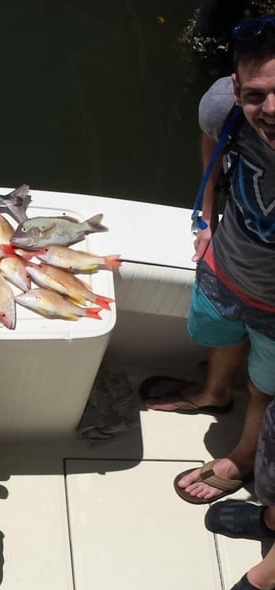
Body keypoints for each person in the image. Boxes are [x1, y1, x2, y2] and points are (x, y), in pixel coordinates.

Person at [139, 14, 275, 508]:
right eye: (257, 95)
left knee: (265, 386)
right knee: (217, 335)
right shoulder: (222, 105)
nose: (271, 109)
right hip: (226, 266)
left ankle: (241, 454)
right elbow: (210, 143)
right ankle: (214, 392)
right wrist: (206, 216)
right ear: (237, 89)